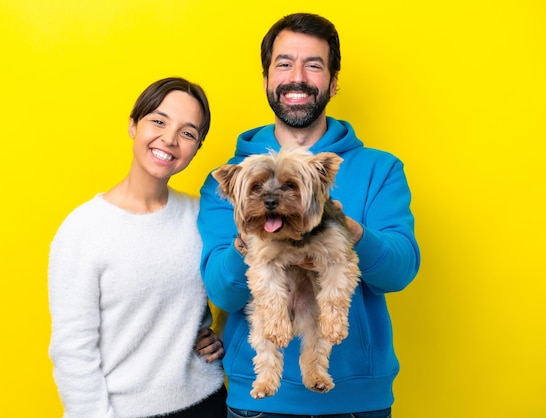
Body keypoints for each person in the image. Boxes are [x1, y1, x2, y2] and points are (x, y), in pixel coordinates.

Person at [198, 13, 421, 418]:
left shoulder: (381, 168)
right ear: (266, 78)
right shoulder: (230, 180)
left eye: (313, 65)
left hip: (359, 403)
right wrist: (249, 240)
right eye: (284, 63)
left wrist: (350, 232)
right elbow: (223, 293)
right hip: (258, 404)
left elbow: (399, 272)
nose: (297, 77)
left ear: (333, 82)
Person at [49, 77, 227, 418]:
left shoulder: (199, 218)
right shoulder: (83, 230)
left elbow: (232, 285)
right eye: (158, 121)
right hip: (124, 411)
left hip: (208, 401)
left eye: (188, 133)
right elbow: (72, 350)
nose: (170, 139)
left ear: (197, 147)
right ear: (133, 125)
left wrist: (219, 334)